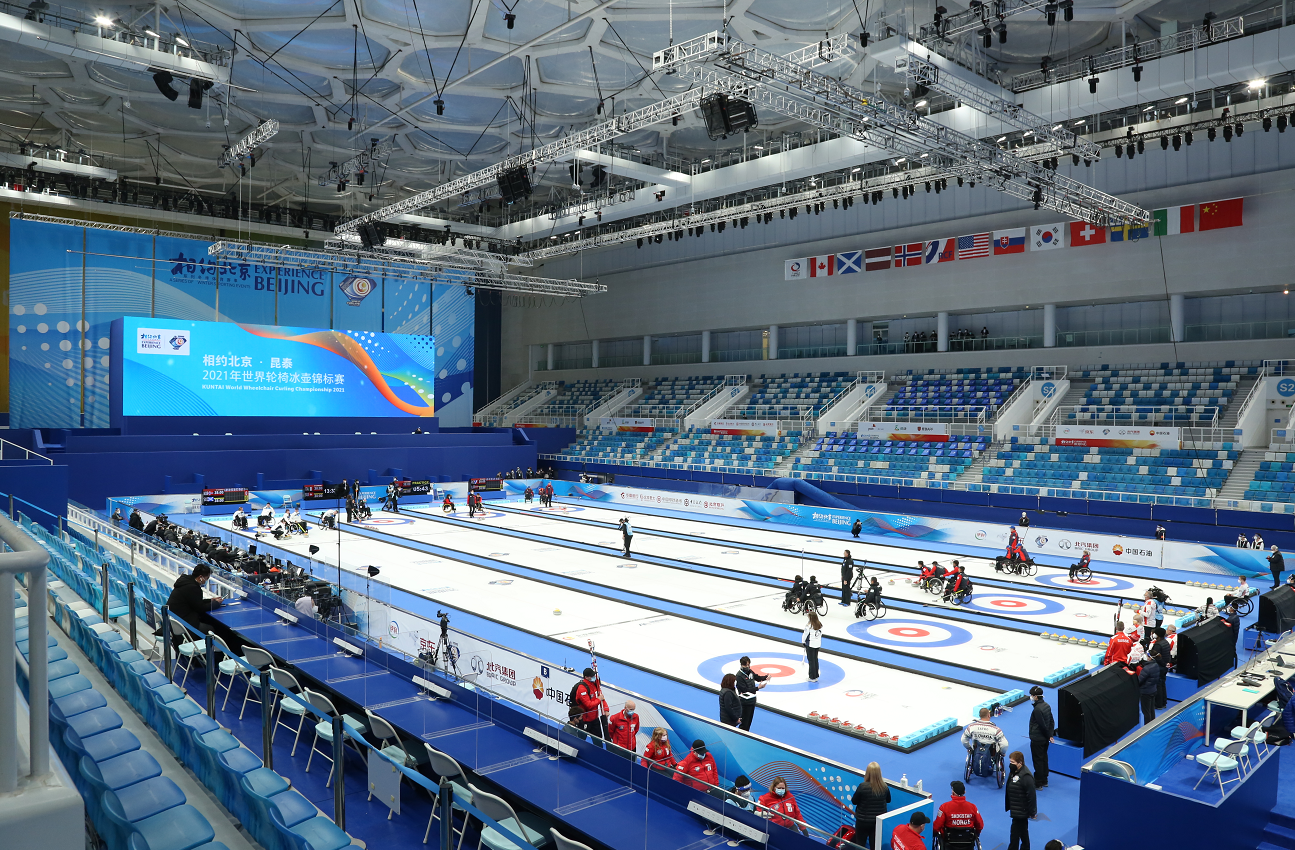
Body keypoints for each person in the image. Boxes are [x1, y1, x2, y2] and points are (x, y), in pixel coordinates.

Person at [851, 762, 890, 848]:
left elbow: (854, 801)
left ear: (867, 773)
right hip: (877, 822)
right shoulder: (884, 786)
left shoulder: (862, 786)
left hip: (862, 821)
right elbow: (888, 800)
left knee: (860, 845)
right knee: (875, 846)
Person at [1004, 751, 1037, 850]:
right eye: (1010, 762)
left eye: (1013, 762)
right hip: (1016, 807)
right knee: (1023, 832)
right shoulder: (1014, 772)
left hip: (1021, 810)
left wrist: (1032, 812)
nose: (1010, 764)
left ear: (1020, 763)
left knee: (1014, 834)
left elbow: (1032, 796)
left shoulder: (1026, 777)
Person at [572, 667, 610, 741]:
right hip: (584, 720)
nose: (594, 677)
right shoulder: (582, 688)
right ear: (586, 677)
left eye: (594, 675)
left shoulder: (594, 685)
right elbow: (589, 705)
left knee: (598, 741)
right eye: (592, 676)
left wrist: (606, 709)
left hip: (595, 719)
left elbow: (601, 698)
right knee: (581, 740)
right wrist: (599, 699)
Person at [1028, 686, 1054, 788]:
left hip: (1037, 738)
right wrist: (1050, 735)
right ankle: (1044, 780)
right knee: (1044, 758)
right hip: (1044, 738)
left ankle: (1038, 783)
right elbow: (1051, 721)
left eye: (1031, 695)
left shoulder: (1037, 709)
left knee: (1038, 760)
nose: (1030, 697)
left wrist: (1048, 735)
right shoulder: (1047, 706)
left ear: (1035, 697)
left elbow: (1042, 725)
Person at [735, 656, 769, 731]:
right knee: (744, 722)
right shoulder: (739, 676)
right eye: (745, 665)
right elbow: (745, 690)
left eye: (748, 664)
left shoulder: (750, 671)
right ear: (741, 665)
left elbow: (757, 677)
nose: (747, 666)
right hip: (744, 702)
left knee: (749, 721)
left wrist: (765, 677)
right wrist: (758, 688)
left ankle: (746, 733)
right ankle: (741, 734)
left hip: (752, 700)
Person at [1134, 643, 1160, 723]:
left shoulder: (1147, 669)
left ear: (1150, 658)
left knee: (1146, 712)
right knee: (1151, 710)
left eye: (1147, 655)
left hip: (1145, 692)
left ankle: (1147, 727)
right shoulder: (1156, 665)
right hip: (1153, 690)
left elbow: (1139, 681)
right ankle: (1152, 725)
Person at [1150, 627, 1172, 709]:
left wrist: (1162, 664)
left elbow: (1156, 657)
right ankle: (1163, 702)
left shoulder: (1158, 645)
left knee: (1158, 685)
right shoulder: (1166, 642)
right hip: (1164, 667)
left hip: (1159, 667)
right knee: (1162, 684)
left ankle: (1158, 704)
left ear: (1157, 635)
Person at [803, 611, 823, 682]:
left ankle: (812, 677)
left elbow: (805, 635)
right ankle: (816, 675)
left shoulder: (809, 626)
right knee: (815, 659)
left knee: (811, 661)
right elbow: (820, 634)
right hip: (817, 644)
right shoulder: (820, 624)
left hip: (810, 644)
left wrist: (803, 642)